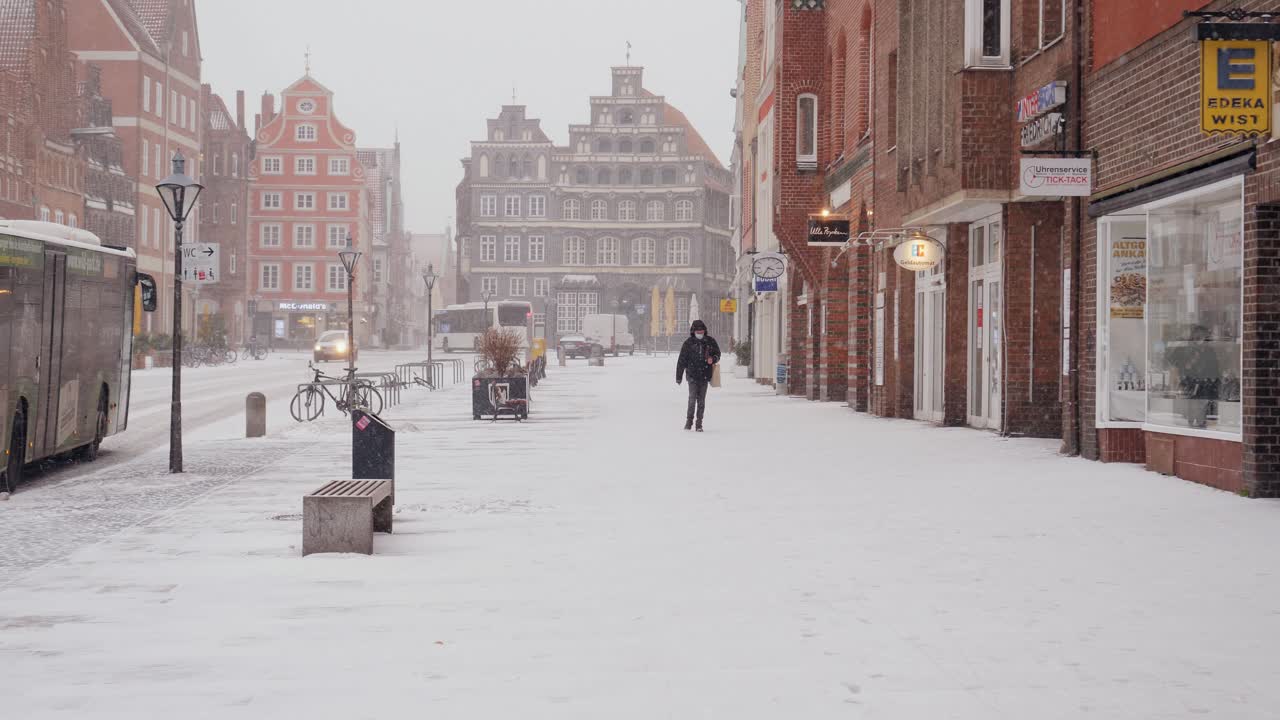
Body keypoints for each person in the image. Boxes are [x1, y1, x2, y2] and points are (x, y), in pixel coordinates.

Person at [676, 319, 721, 432]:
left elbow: (718, 354)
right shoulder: (688, 343)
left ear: (704, 331)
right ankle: (689, 421)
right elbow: (682, 360)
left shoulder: (710, 341)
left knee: (701, 401)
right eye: (698, 332)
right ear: (693, 332)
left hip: (705, 376)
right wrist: (679, 376)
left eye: (701, 332)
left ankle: (699, 423)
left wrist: (713, 359)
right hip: (692, 375)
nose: (700, 334)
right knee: (692, 399)